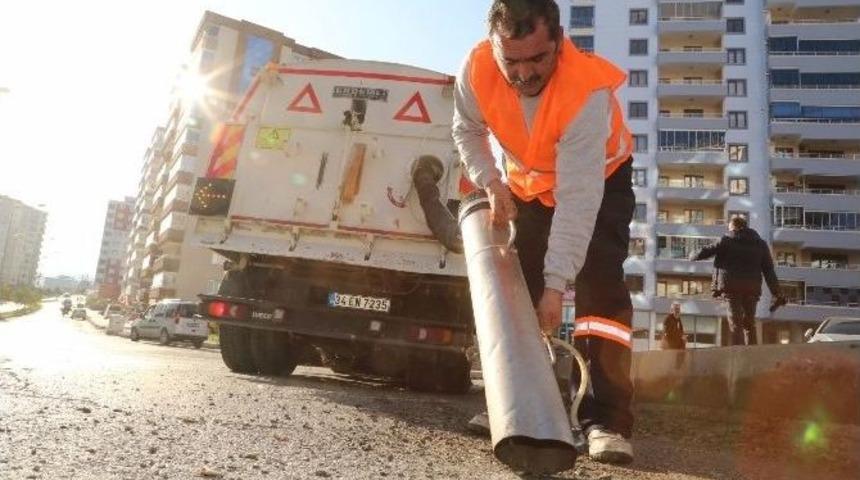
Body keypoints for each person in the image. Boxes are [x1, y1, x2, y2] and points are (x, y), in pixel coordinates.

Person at [453, 0, 635, 464]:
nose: (523, 73)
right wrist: (491, 182)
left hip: (600, 181)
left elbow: (577, 199)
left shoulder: (584, 92)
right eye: (510, 61)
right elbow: (467, 130)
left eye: (537, 59)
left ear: (557, 41)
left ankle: (606, 421)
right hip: (527, 184)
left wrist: (558, 285)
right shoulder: (475, 69)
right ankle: (522, 408)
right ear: (494, 46)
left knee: (599, 295)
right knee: (519, 292)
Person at [690, 216, 783, 346]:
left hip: (732, 288)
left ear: (733, 226)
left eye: (729, 227)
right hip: (752, 289)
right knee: (749, 325)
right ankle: (752, 354)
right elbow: (769, 270)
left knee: (736, 324)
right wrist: (777, 292)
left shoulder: (727, 240)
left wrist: (692, 255)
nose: (729, 230)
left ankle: (738, 356)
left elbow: (707, 251)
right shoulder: (761, 244)